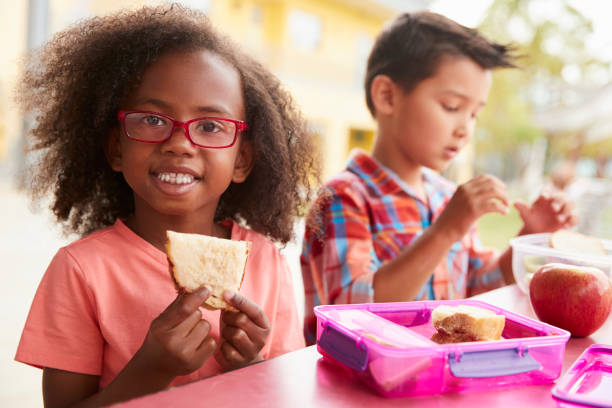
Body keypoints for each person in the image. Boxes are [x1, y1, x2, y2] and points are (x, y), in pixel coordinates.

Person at [15, 4, 319, 406]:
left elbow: (286, 397)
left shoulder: (266, 263)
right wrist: (150, 372)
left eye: (211, 126)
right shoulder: (80, 272)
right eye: (152, 120)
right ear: (116, 148)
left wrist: (250, 364)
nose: (179, 143)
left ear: (242, 160)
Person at [300, 11, 577, 345]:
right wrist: (446, 230)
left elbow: (475, 286)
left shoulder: (448, 197)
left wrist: (529, 236)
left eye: (474, 114)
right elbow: (349, 315)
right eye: (451, 106)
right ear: (387, 96)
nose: (465, 129)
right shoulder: (343, 198)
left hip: (435, 384)